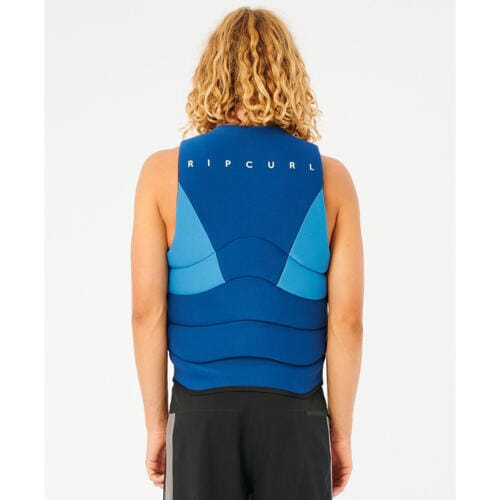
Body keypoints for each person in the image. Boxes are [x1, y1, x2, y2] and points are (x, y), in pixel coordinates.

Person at [131, 6, 364, 499]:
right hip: (297, 413)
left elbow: (147, 312)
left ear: (211, 73)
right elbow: (346, 321)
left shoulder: (162, 174)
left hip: (199, 413)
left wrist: (157, 425)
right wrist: (339, 433)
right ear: (289, 75)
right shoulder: (331, 180)